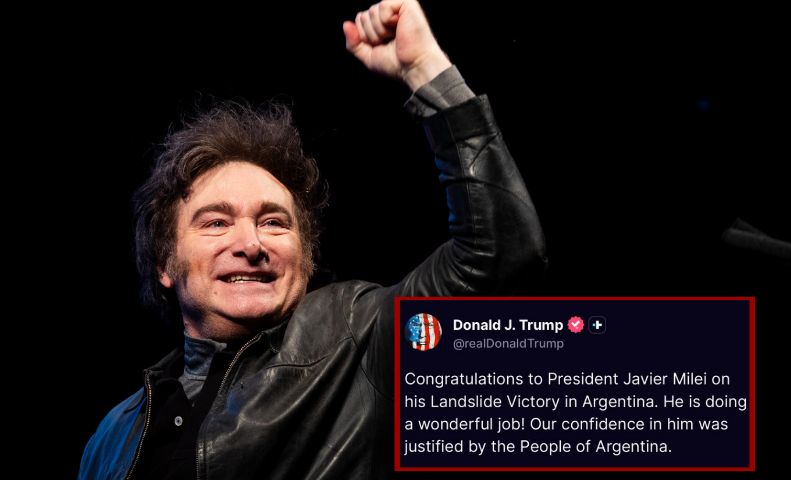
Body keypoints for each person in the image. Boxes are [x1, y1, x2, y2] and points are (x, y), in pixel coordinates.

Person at [79, 1, 546, 478]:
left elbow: (499, 254)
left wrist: (426, 70)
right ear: (165, 262)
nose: (251, 244)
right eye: (216, 223)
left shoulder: (360, 338)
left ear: (304, 259)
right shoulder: (112, 435)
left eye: (274, 223)